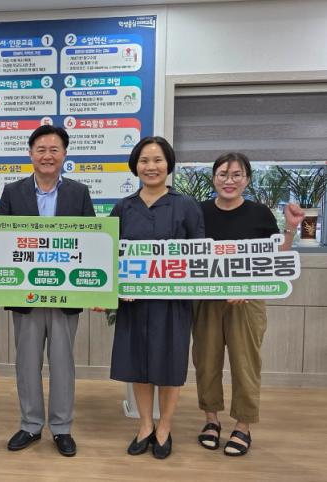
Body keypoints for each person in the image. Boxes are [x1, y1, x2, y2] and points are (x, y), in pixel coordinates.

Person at [193, 152, 304, 456]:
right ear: (213, 178)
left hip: (247, 301)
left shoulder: (259, 214)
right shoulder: (198, 211)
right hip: (206, 299)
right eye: (223, 174)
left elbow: (275, 258)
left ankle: (243, 426)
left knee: (245, 363)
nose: (229, 181)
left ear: (247, 180)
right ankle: (211, 420)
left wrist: (291, 228)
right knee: (206, 361)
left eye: (236, 175)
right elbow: (187, 253)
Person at [0, 124, 95, 457]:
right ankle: (31, 425)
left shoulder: (79, 192)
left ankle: (62, 428)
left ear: (64, 154)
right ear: (30, 154)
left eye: (54, 150)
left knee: (63, 363)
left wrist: (96, 292)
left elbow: (93, 242)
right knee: (26, 363)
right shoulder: (13, 192)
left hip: (67, 295)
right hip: (25, 295)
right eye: (41, 149)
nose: (47, 156)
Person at [110, 136, 204, 460]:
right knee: (137, 364)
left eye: (158, 160)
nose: (151, 166)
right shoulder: (123, 207)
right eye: (144, 160)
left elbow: (199, 255)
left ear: (169, 164)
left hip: (172, 304)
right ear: (135, 166)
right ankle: (145, 425)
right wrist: (120, 286)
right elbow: (109, 255)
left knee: (169, 363)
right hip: (133, 304)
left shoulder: (186, 205)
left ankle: (164, 426)